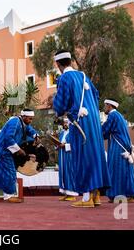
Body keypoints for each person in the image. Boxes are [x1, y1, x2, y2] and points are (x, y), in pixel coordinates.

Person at [52, 50, 110, 208]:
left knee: (82, 157)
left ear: (58, 64)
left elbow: (61, 104)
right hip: (93, 121)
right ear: (70, 61)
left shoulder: (64, 78)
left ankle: (86, 198)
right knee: (95, 155)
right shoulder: (84, 76)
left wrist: (56, 105)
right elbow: (96, 94)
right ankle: (96, 196)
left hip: (79, 122)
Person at [0, 109, 39, 203]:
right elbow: (8, 137)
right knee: (9, 170)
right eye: (30, 119)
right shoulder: (15, 122)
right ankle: (8, 196)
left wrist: (36, 136)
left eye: (32, 119)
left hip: (6, 150)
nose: (31, 121)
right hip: (2, 149)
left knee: (9, 170)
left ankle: (9, 194)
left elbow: (30, 129)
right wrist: (19, 150)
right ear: (24, 117)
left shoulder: (22, 123)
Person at [102, 99, 134, 202]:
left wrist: (93, 130)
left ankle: (117, 195)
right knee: (126, 169)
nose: (104, 108)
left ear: (109, 106)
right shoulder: (120, 116)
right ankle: (131, 193)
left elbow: (104, 130)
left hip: (117, 145)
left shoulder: (112, 115)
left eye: (105, 106)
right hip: (125, 145)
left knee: (115, 169)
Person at [57, 118, 78, 201]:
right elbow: (59, 142)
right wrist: (57, 145)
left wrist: (64, 146)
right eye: (64, 123)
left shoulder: (73, 133)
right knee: (63, 173)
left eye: (66, 123)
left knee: (69, 173)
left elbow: (75, 145)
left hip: (69, 156)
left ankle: (72, 194)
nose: (65, 124)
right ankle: (66, 193)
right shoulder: (62, 133)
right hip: (62, 156)